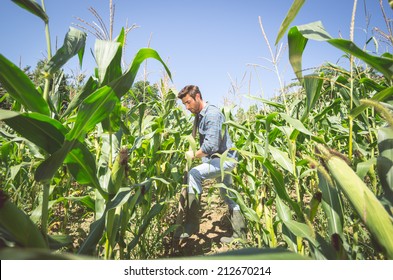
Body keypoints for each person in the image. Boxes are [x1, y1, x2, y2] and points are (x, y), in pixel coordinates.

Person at [174, 85, 246, 243]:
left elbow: (210, 146)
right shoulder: (200, 114)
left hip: (224, 160)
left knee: (194, 174)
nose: (187, 107)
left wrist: (193, 155)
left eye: (188, 102)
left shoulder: (212, 114)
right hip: (221, 159)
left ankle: (192, 223)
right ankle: (240, 235)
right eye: (184, 104)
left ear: (198, 97)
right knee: (227, 194)